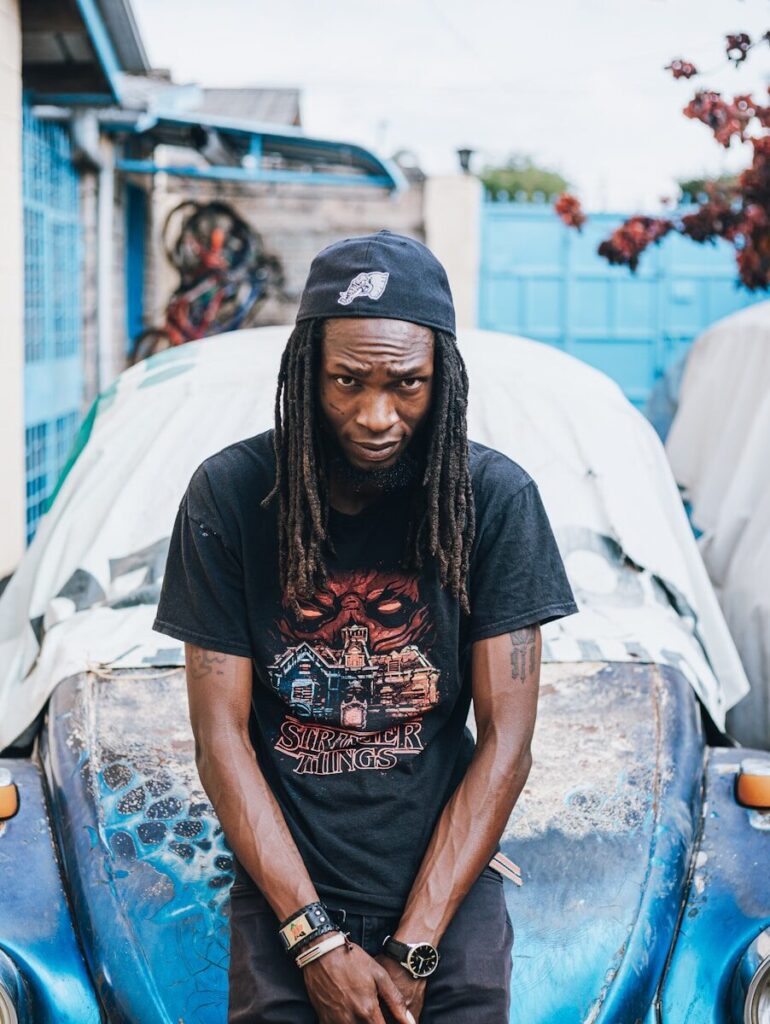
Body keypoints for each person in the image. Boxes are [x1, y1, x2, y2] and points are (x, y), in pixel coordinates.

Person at [153, 229, 578, 1024]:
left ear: (442, 381)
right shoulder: (229, 496)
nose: (375, 414)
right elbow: (221, 741)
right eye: (347, 380)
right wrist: (312, 940)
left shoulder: (494, 501)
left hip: (447, 881)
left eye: (406, 385)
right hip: (288, 878)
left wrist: (417, 944)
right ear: (307, 370)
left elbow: (507, 743)